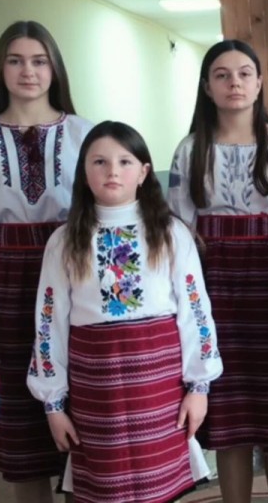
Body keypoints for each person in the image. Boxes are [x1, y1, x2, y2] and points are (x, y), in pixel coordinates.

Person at [27, 122, 222, 503]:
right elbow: (49, 324)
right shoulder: (64, 241)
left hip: (159, 384)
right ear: (84, 171)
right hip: (95, 388)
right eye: (99, 161)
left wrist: (199, 387)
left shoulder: (170, 232)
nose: (112, 171)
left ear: (144, 171)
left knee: (159, 484)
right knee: (105, 487)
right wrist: (53, 403)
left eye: (124, 161)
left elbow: (196, 311)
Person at [0, 20, 92, 500]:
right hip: (7, 285)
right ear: (0, 69)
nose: (28, 71)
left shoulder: (85, 133)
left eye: (39, 60)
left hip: (75, 277)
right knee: (21, 423)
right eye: (15, 60)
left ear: (55, 68)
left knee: (83, 409)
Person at [167, 40, 268, 502]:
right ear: (207, 87)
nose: (235, 83)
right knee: (229, 415)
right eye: (223, 75)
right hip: (216, 286)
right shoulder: (190, 149)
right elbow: (178, 229)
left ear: (260, 82)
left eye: (245, 73)